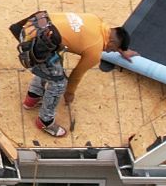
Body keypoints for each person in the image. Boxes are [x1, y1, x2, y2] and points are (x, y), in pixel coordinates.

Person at [12, 9, 129, 138]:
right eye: (112, 49)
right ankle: (45, 121)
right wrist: (69, 92)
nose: (107, 51)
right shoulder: (95, 50)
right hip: (36, 43)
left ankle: (32, 98)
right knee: (59, 83)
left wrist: (123, 50)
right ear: (111, 42)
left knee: (53, 63)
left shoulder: (95, 19)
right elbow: (76, 74)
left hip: (32, 26)